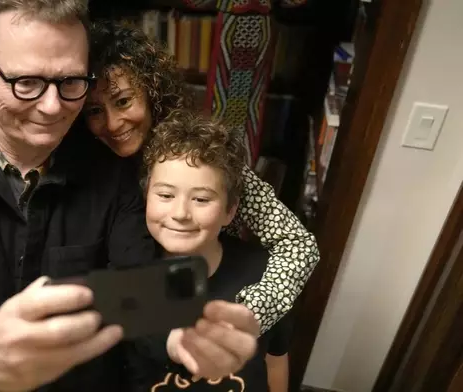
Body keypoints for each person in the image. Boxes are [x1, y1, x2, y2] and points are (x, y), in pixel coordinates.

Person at [0, 1, 258, 391]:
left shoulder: (114, 171)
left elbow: (139, 289)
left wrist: (178, 334)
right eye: (26, 82)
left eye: (70, 82)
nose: (52, 107)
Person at [84, 21, 320, 334]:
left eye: (124, 101)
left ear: (152, 92)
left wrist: (248, 312)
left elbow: (298, 245)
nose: (113, 123)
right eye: (95, 111)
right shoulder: (86, 165)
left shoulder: (197, 154)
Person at [128, 109, 293, 391]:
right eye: (166, 195)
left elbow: (275, 359)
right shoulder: (125, 272)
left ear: (230, 210)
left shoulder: (267, 273)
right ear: (146, 198)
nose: (180, 213)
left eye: (202, 199)